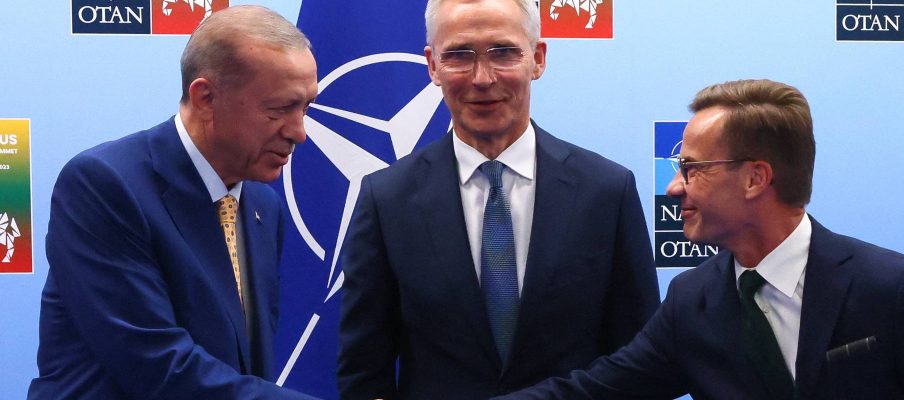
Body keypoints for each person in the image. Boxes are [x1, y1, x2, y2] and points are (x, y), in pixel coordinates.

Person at [495, 79, 904, 399]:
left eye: (691, 169)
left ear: (755, 178)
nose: (673, 187)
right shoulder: (692, 301)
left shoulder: (890, 288)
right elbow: (596, 391)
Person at [335, 0, 660, 398]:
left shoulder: (607, 191)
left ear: (537, 59)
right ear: (432, 65)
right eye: (459, 55)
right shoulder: (386, 199)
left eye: (504, 52)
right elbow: (365, 370)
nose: (483, 78)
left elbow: (639, 362)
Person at [28, 6, 320, 399]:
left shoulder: (262, 207)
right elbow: (157, 367)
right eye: (279, 109)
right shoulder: (104, 185)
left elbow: (246, 367)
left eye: (305, 108)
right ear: (205, 97)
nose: (299, 133)